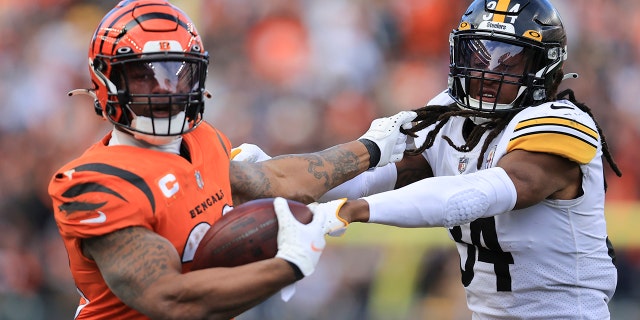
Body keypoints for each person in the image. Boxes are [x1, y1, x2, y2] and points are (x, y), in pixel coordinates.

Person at [47, 1, 416, 319]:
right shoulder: (93, 184)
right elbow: (170, 299)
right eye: (145, 78)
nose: (165, 91)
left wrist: (375, 146)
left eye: (177, 75)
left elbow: (278, 180)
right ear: (104, 80)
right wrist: (289, 263)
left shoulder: (200, 140)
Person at [297, 0, 624, 319]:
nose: (489, 74)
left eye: (507, 62)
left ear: (544, 69)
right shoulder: (453, 118)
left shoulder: (562, 122)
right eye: (479, 57)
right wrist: (280, 182)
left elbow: (480, 194)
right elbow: (370, 180)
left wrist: (353, 211)